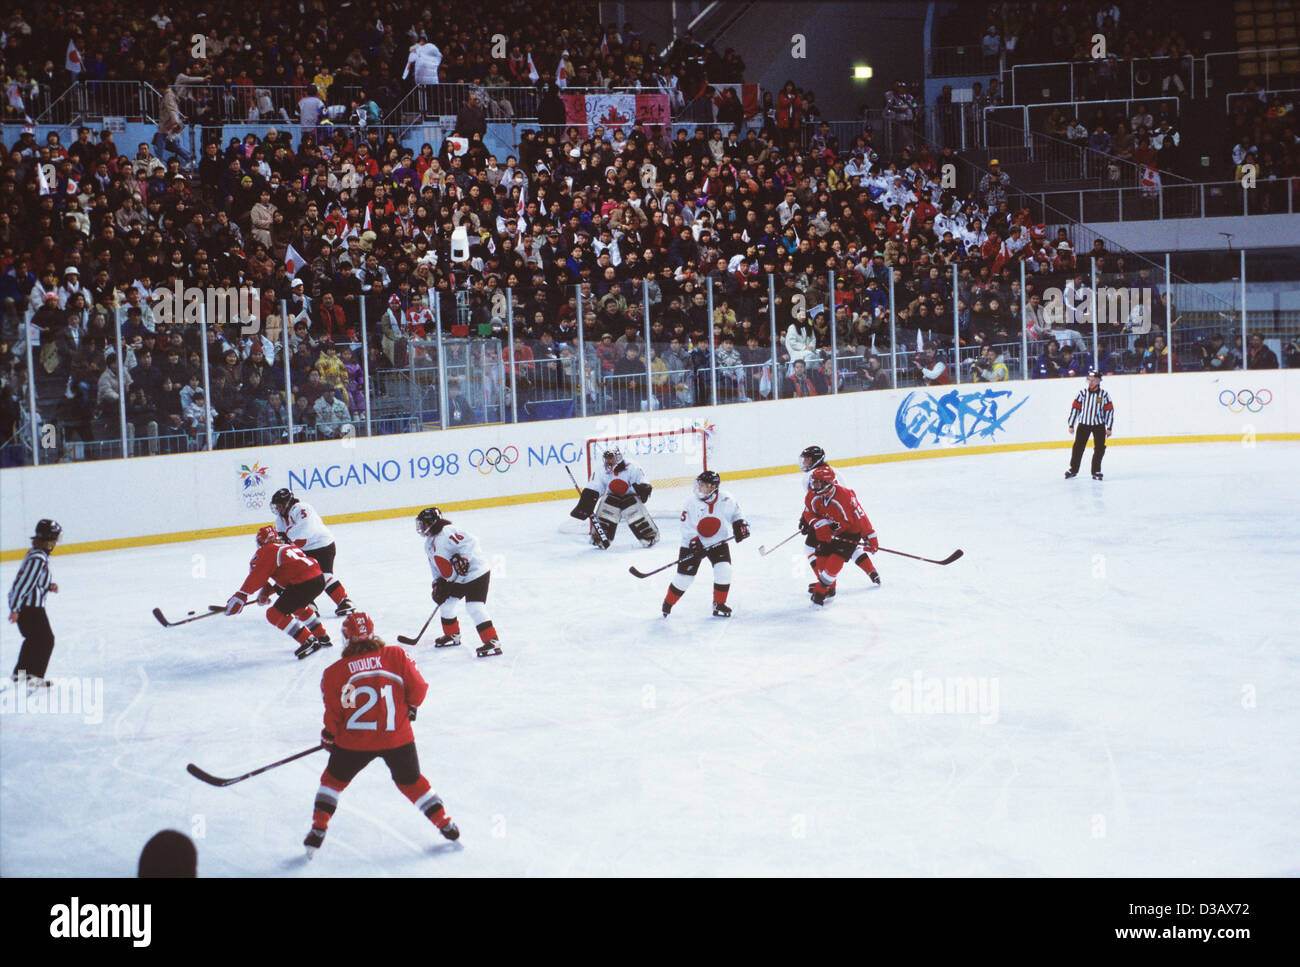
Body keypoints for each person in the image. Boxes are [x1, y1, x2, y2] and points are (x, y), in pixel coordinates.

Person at [305, 611, 459, 855]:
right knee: (412, 782)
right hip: (397, 737)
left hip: (355, 742)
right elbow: (418, 688)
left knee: (332, 782)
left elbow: (338, 711)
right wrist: (411, 705)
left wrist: (329, 735)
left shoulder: (335, 672)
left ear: (347, 638)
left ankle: (318, 828)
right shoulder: (395, 655)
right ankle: (445, 823)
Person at [225, 525, 333, 659]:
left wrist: (242, 595)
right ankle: (321, 635)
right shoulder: (288, 547)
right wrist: (266, 592)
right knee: (298, 608)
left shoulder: (267, 550)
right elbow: (287, 573)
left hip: (303, 582)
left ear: (260, 542)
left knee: (274, 614)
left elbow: (259, 574)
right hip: (318, 579)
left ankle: (308, 640)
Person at [416, 507, 502, 658]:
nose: (421, 528)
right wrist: (437, 583)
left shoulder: (447, 532)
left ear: (432, 523)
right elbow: (435, 567)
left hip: (476, 573)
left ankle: (492, 642)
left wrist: (465, 559)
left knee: (474, 607)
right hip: (458, 578)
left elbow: (471, 542)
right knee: (446, 604)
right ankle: (452, 636)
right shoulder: (428, 544)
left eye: (423, 524)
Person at [662, 471, 749, 618]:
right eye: (699, 485)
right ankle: (667, 604)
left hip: (717, 541)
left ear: (714, 487)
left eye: (704, 486)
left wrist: (740, 524)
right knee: (684, 579)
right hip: (693, 543)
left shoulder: (726, 499)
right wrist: (694, 542)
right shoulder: (691, 503)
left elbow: (736, 513)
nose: (700, 489)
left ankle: (719, 604)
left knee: (724, 570)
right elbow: (686, 527)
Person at [799, 466, 880, 605]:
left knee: (835, 561)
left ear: (827, 483)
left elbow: (860, 516)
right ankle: (830, 589)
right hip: (830, 531)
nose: (813, 486)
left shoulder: (845, 496)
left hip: (850, 532)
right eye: (814, 482)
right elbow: (808, 513)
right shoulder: (812, 495)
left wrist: (870, 535)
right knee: (822, 560)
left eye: (817, 483)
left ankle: (822, 589)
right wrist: (819, 524)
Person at [269, 489, 355, 616]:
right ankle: (308, 605)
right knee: (303, 578)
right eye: (276, 506)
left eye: (279, 505)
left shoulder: (302, 508)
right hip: (303, 551)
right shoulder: (280, 520)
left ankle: (345, 602)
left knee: (323, 576)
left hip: (323, 546)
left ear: (287, 503)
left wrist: (288, 536)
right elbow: (283, 542)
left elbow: (306, 530)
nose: (277, 508)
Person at [569, 446, 658, 549]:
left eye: (610, 457)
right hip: (612, 497)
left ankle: (649, 536)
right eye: (606, 458)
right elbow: (595, 485)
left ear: (618, 457)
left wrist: (644, 488)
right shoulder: (601, 469)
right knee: (608, 505)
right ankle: (599, 538)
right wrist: (588, 499)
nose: (608, 461)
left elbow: (641, 480)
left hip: (630, 497)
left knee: (632, 506)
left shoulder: (632, 466)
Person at [7, 519, 61, 687]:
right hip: (29, 608)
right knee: (46, 640)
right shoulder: (38, 558)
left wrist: (48, 586)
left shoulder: (36, 554)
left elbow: (33, 580)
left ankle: (20, 675)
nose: (56, 542)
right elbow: (24, 584)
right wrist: (15, 609)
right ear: (49, 539)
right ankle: (34, 678)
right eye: (54, 538)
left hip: (28, 606)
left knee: (33, 640)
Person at [1065, 370, 1114, 480]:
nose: (1091, 382)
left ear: (1098, 381)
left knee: (1100, 448)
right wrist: (1071, 424)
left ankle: (1096, 470)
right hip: (1083, 424)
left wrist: (1109, 427)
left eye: (1094, 380)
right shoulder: (1082, 393)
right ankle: (1073, 469)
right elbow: (1075, 408)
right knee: (1078, 447)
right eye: (1089, 380)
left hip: (1099, 425)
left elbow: (1109, 411)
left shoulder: (1104, 395)